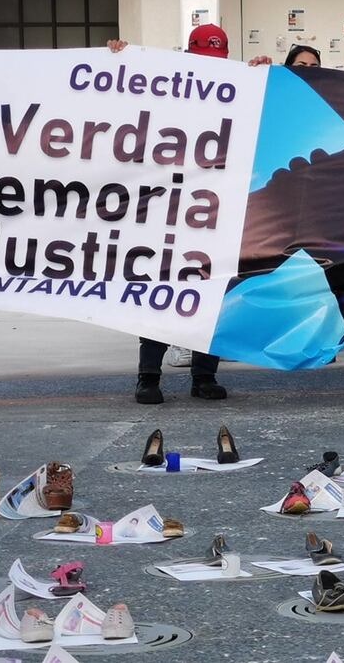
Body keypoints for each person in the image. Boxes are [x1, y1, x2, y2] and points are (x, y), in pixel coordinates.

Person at [108, 25, 230, 404]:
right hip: (164, 206)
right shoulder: (166, 89)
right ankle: (148, 375)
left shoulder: (238, 93)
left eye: (217, 60)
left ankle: (204, 374)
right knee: (158, 287)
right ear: (187, 54)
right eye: (203, 59)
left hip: (215, 208)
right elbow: (120, 110)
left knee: (212, 288)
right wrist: (120, 62)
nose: (210, 68)